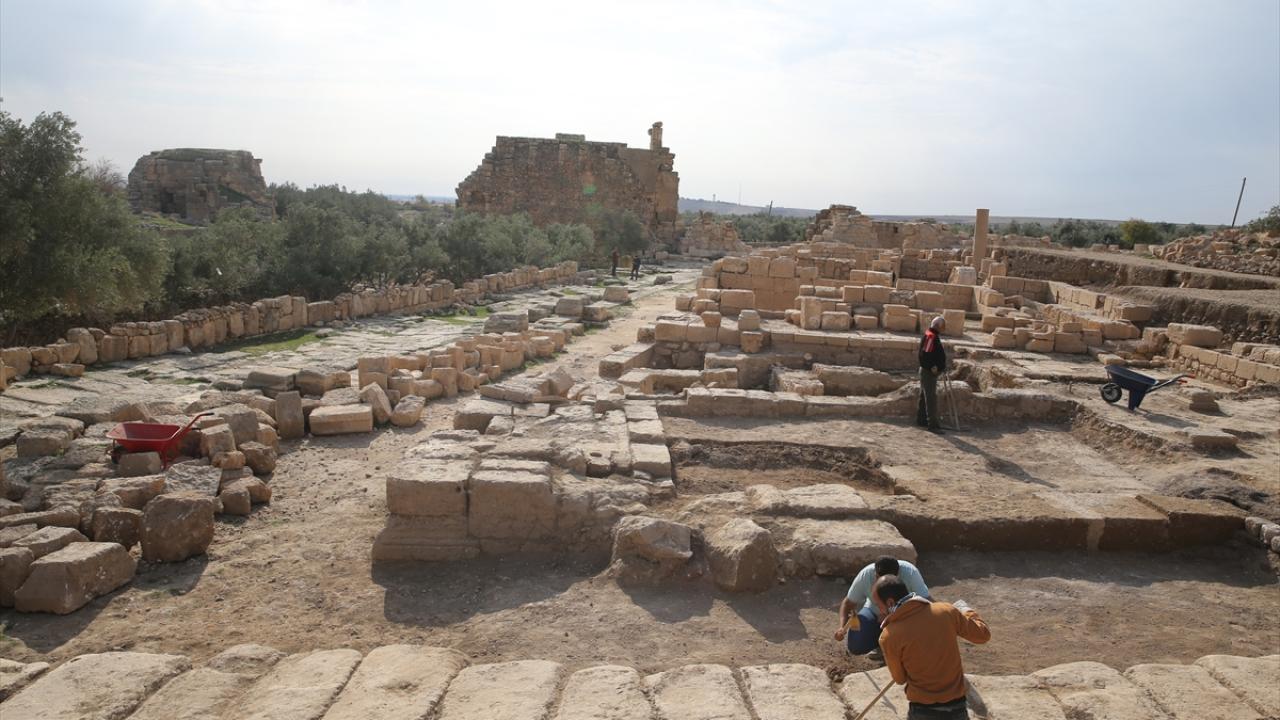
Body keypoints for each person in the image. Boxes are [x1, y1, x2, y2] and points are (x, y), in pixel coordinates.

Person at [872, 574, 990, 719]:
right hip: (956, 706)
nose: (879, 611)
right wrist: (965, 610)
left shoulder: (889, 636)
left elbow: (900, 679)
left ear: (890, 602)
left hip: (922, 710)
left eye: (878, 605)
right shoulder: (946, 611)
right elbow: (983, 635)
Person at [834, 556, 931, 655]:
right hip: (876, 614)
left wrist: (890, 617)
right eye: (878, 578)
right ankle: (882, 644)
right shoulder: (866, 575)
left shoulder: (911, 573)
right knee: (856, 644)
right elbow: (848, 603)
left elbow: (926, 603)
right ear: (875, 573)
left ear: (897, 575)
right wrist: (842, 627)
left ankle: (896, 647)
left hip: (907, 615)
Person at [917, 315, 947, 432]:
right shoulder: (930, 336)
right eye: (943, 327)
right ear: (939, 326)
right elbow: (925, 355)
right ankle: (933, 425)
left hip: (928, 371)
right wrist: (932, 367)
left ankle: (922, 420)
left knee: (924, 396)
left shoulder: (932, 335)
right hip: (928, 372)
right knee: (931, 398)